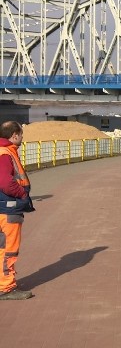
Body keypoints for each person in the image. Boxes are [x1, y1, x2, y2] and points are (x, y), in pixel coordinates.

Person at [0, 121, 36, 300]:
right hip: (8, 209)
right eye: (21, 134)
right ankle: (7, 288)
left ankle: (3, 283)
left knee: (2, 249)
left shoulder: (4, 151)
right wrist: (22, 194)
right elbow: (6, 183)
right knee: (9, 250)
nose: (22, 137)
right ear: (14, 135)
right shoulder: (5, 153)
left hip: (2, 209)